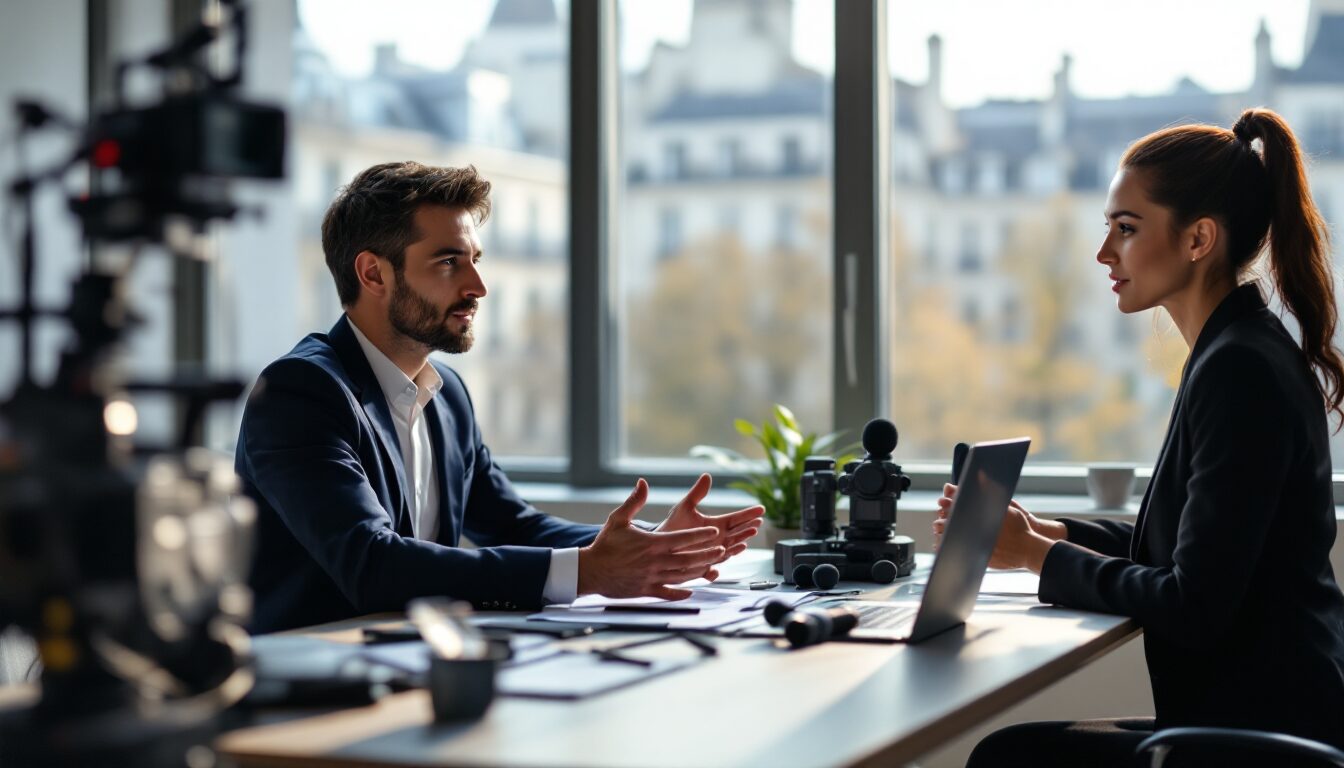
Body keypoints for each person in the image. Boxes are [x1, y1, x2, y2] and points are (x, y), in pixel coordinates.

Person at [938, 108, 1344, 767]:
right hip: (1256, 716)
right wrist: (1044, 533)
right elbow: (1184, 548)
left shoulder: (1239, 369)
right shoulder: (1236, 351)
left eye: (1126, 230)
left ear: (1197, 239)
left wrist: (1039, 557)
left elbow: (1191, 603)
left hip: (1266, 736)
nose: (1105, 253)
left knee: (1008, 758)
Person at [237, 161, 763, 633]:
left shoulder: (448, 396)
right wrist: (590, 572)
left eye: (474, 259)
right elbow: (372, 563)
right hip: (308, 689)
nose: (478, 285)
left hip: (415, 664)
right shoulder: (300, 393)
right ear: (373, 272)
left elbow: (514, 523)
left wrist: (649, 543)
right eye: (448, 262)